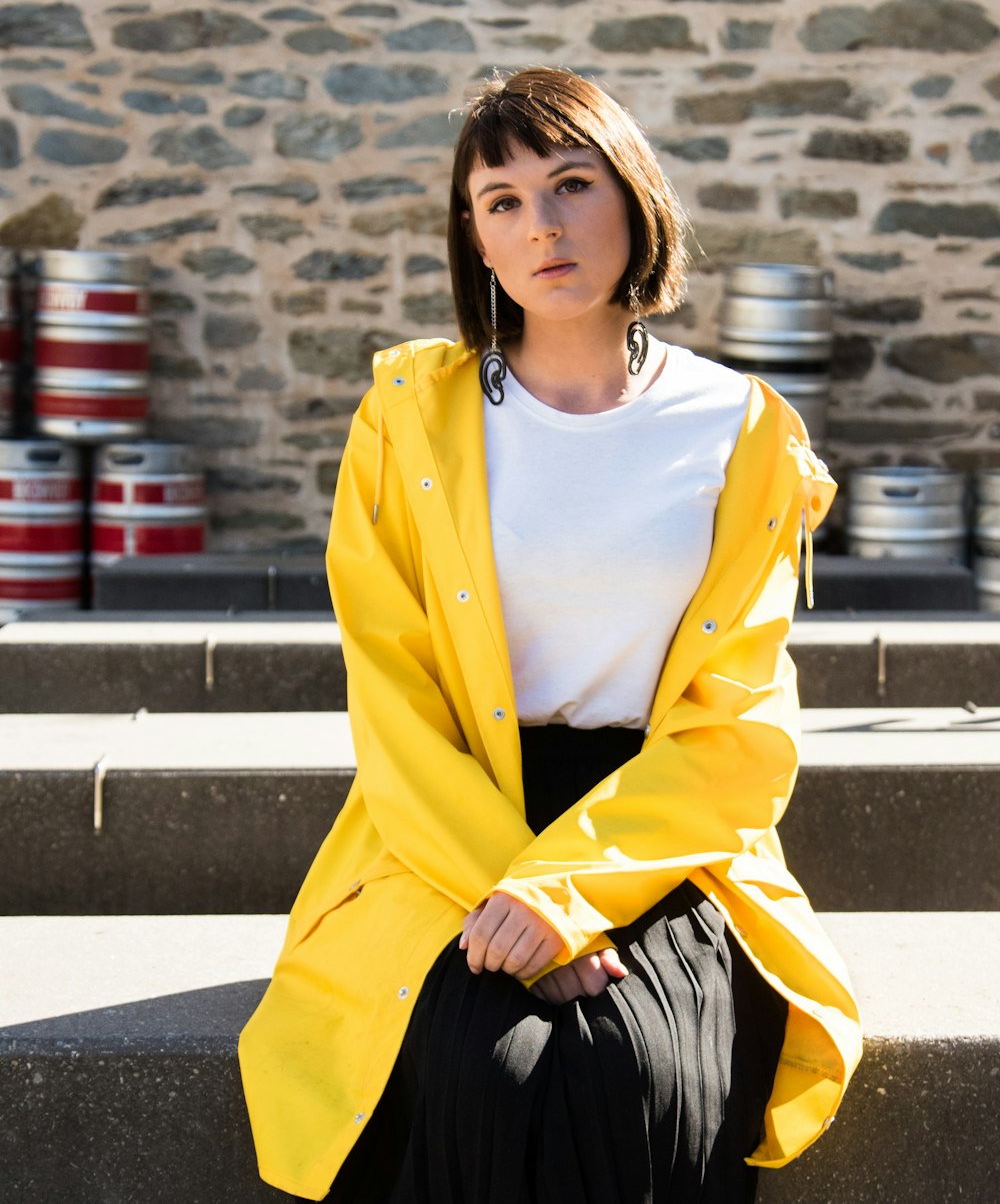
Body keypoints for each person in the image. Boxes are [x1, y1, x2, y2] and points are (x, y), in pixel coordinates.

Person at [239, 67, 863, 1203]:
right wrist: (517, 890)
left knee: (639, 1069)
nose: (544, 224)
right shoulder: (408, 420)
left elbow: (738, 724)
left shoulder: (744, 431)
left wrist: (571, 892)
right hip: (450, 811)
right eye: (503, 201)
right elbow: (395, 696)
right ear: (475, 239)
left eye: (571, 183)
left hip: (657, 821)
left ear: (633, 199)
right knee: (490, 1074)